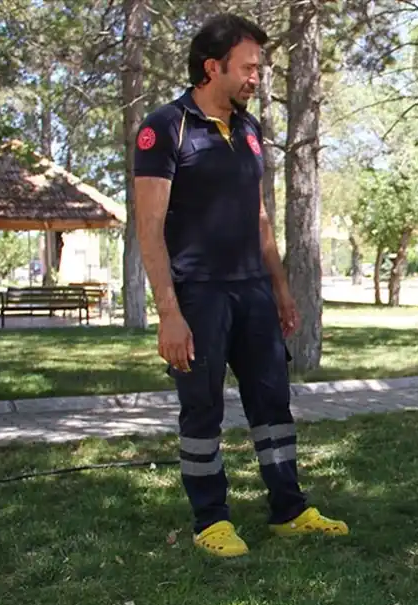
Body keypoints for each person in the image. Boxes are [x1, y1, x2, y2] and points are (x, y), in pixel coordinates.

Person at [133, 13, 348, 558]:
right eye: (249, 67)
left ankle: (289, 511)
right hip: (198, 295)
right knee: (201, 409)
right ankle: (211, 519)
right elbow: (149, 229)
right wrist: (169, 312)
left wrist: (278, 289)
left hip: (252, 291)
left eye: (260, 67)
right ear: (213, 67)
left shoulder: (250, 130)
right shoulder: (165, 128)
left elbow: (259, 218)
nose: (257, 77)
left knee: (272, 403)